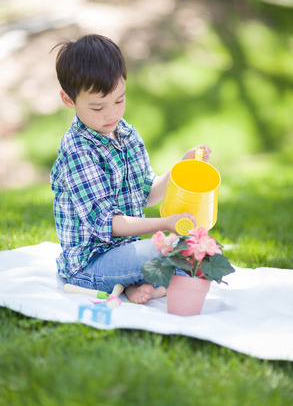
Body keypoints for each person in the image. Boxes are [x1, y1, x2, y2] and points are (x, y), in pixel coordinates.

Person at [50, 34, 211, 304]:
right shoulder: (78, 150)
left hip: (127, 251)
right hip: (91, 263)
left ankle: (133, 286)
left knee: (186, 245)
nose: (112, 114)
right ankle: (144, 280)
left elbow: (147, 194)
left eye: (119, 100)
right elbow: (108, 224)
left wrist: (180, 168)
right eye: (98, 107)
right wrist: (164, 225)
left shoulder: (125, 133)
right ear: (69, 100)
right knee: (164, 249)